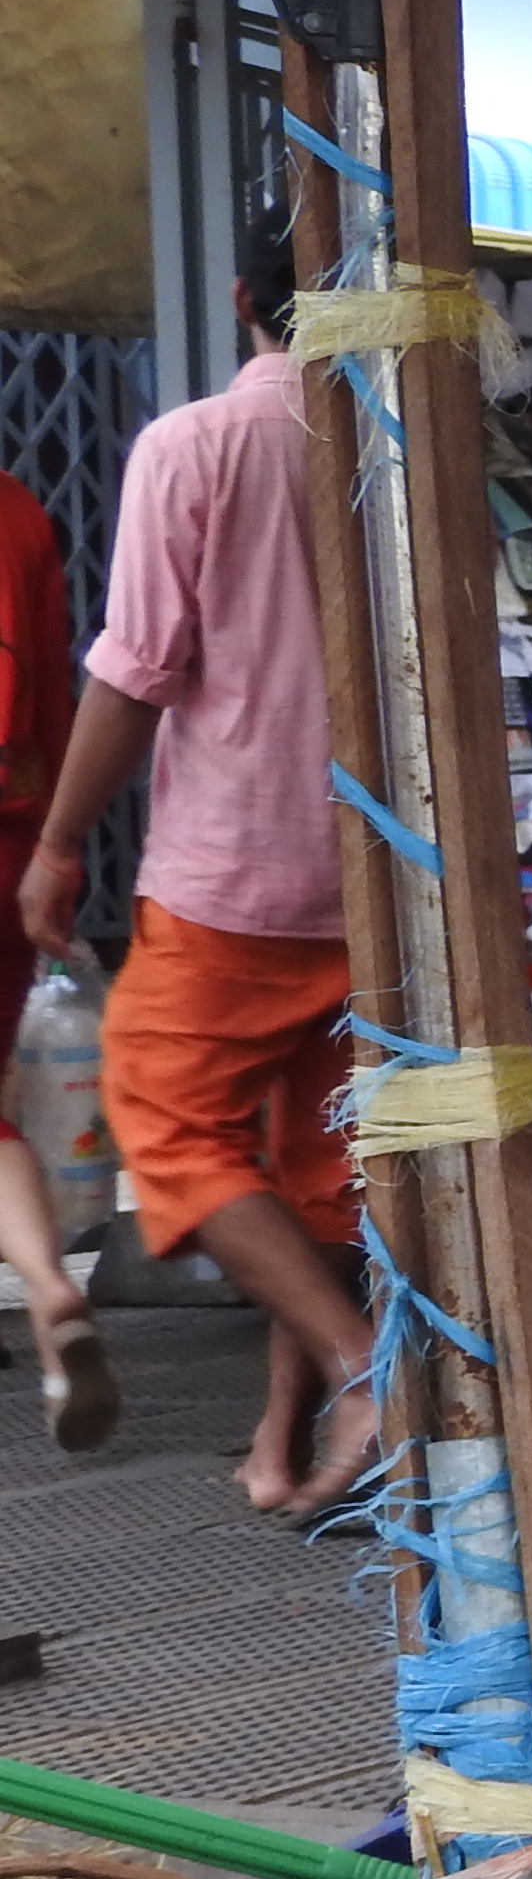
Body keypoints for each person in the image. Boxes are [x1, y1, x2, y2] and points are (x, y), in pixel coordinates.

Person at [16, 240, 370, 1513]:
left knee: (165, 1123)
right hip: (377, 880)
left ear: (243, 300)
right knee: (319, 1172)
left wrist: (60, 846)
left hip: (234, 876)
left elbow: (135, 670)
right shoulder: (397, 450)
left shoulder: (197, 443)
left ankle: (360, 1373)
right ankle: (287, 1445)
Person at [0, 460, 117, 1451]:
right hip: (10, 836)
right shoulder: (20, 509)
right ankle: (48, 1293)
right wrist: (54, 849)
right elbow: (51, 693)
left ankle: (44, 1291)